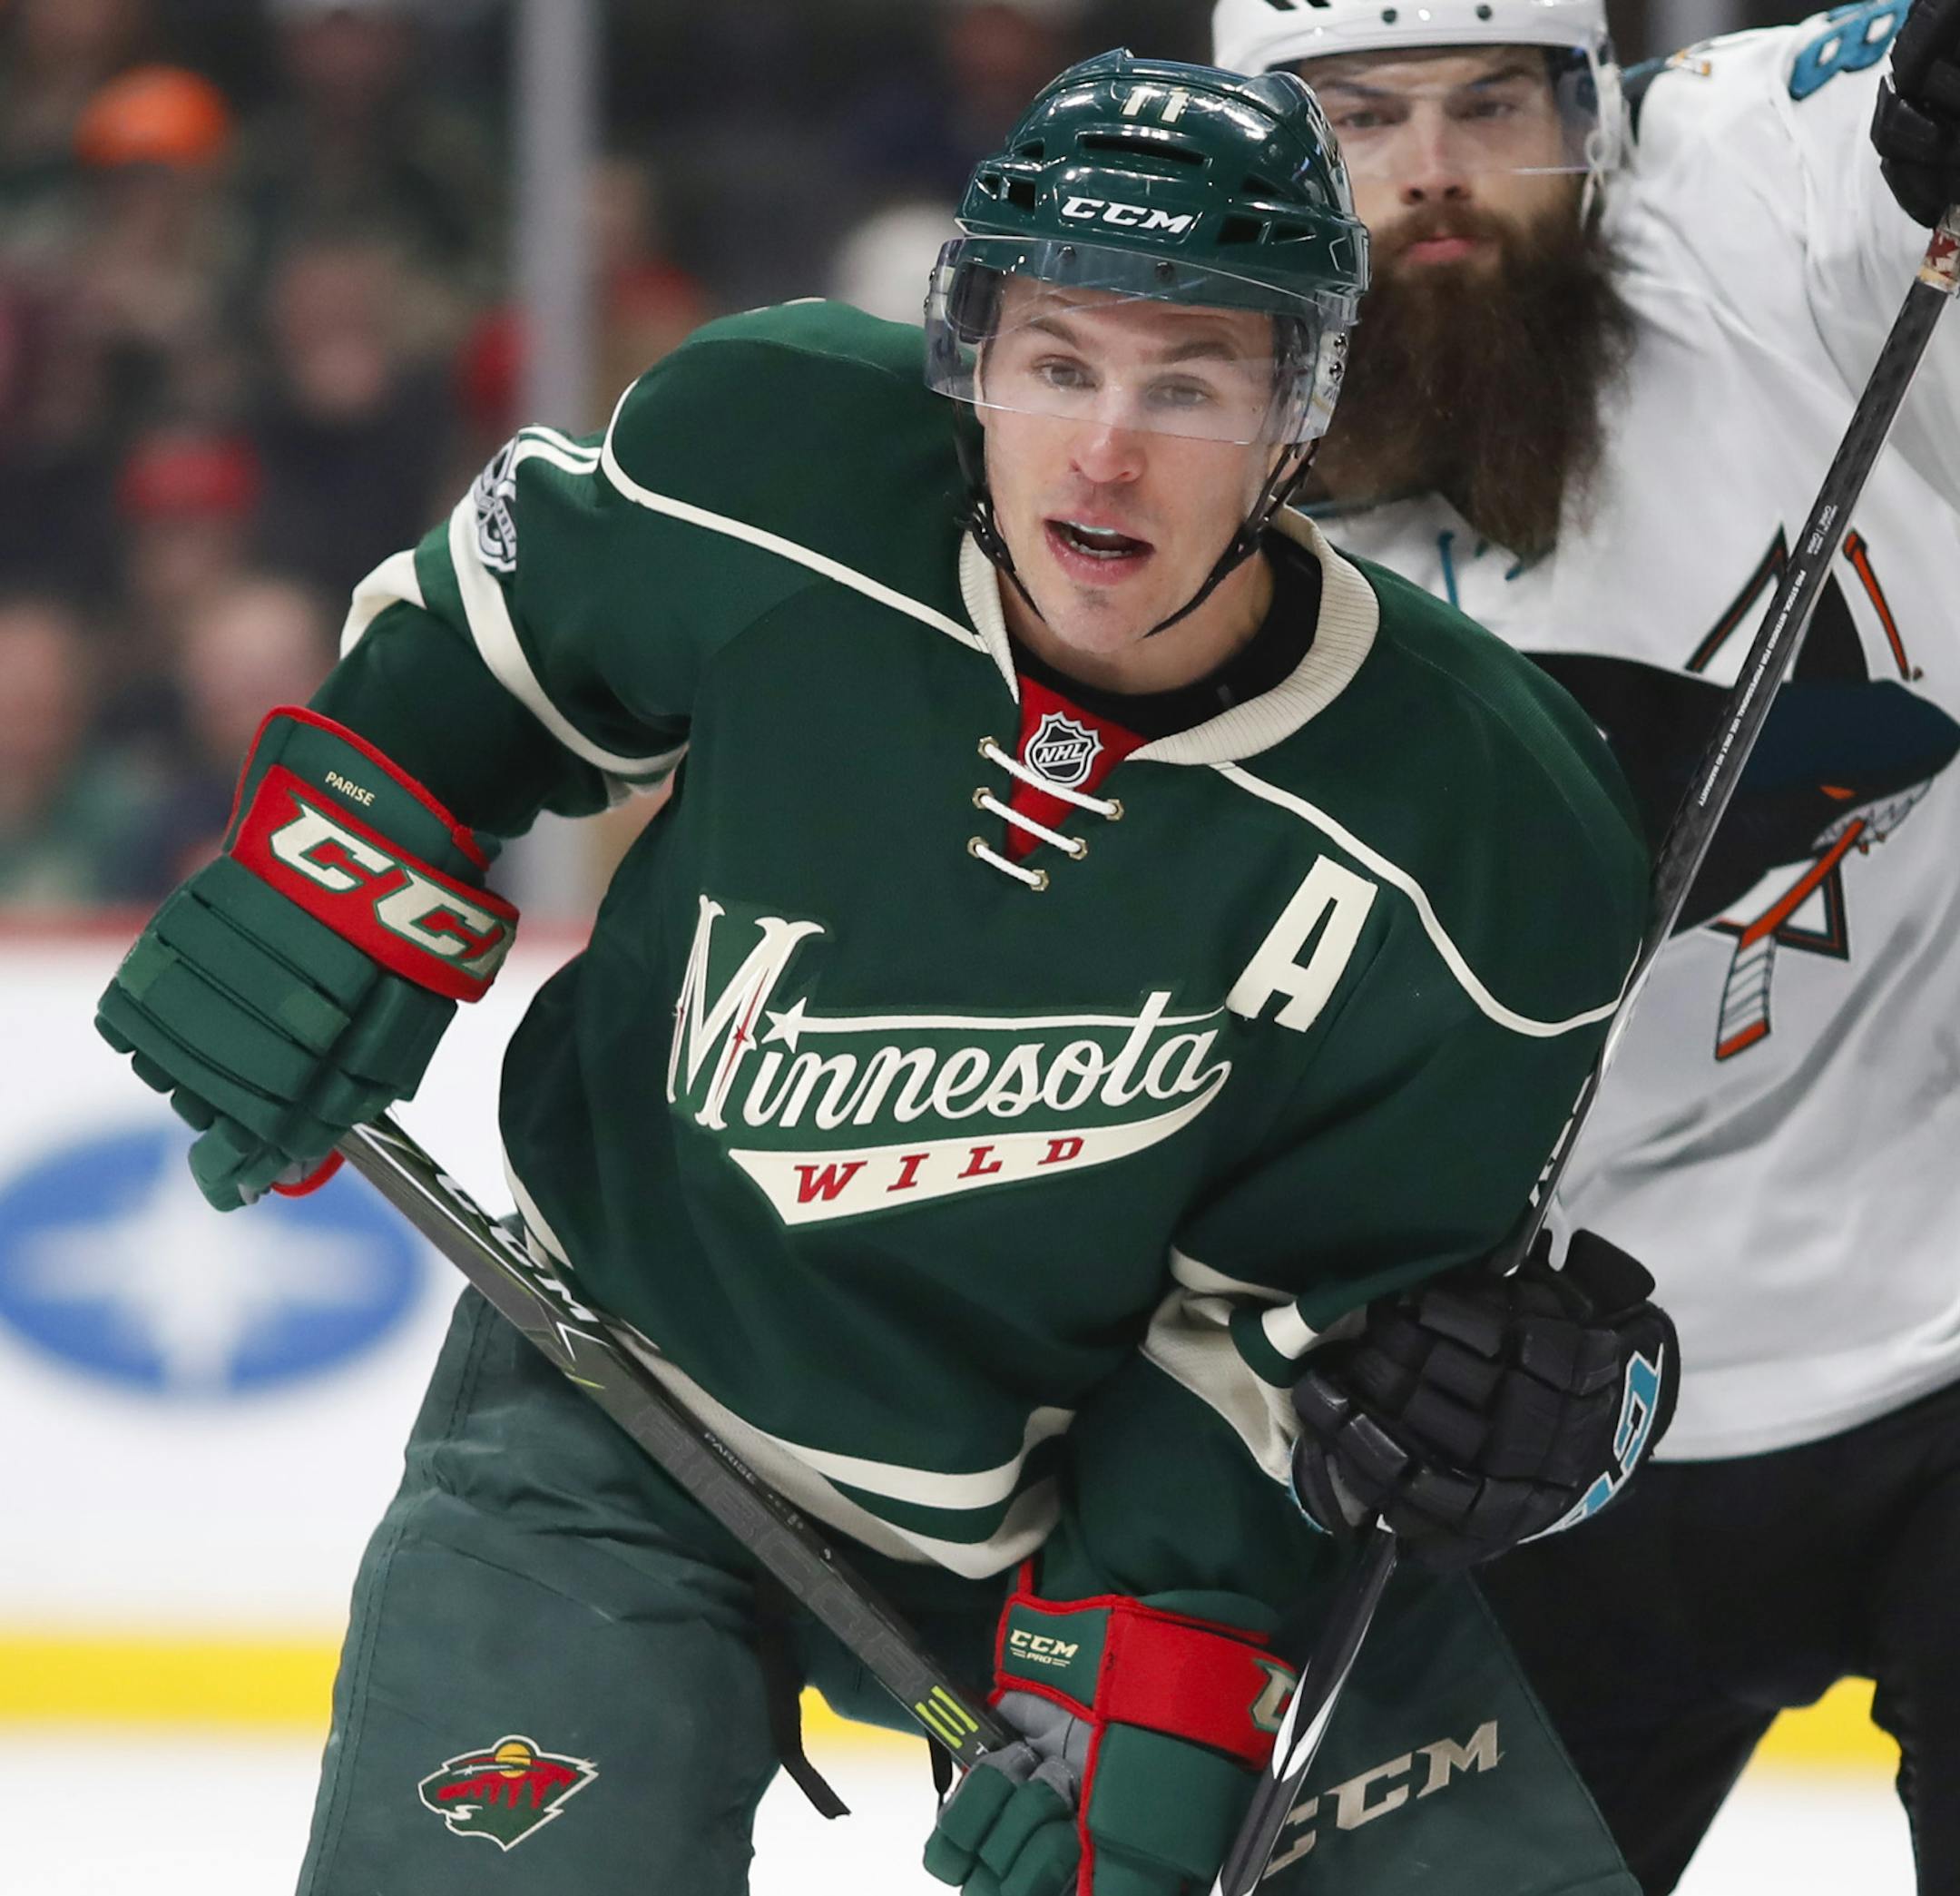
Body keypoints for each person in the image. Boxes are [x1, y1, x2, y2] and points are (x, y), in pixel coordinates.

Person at [94, 53, 1671, 1896]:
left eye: (1191, 384)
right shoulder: (780, 466)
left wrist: (1156, 1646)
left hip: (1093, 1485)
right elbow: (494, 652)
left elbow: (1292, 1334)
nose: (1105, 449)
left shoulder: (1486, 839)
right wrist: (342, 865)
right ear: (968, 355)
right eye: (1058, 363)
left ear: (1300, 410)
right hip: (617, 1400)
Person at [1211, 0, 1960, 1887]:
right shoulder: (1173, 378)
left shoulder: (1754, 181)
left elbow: (1882, 117)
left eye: (1494, 104)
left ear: (1598, 109)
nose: (1437, 170)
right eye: (1364, 119)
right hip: (1508, 1419)